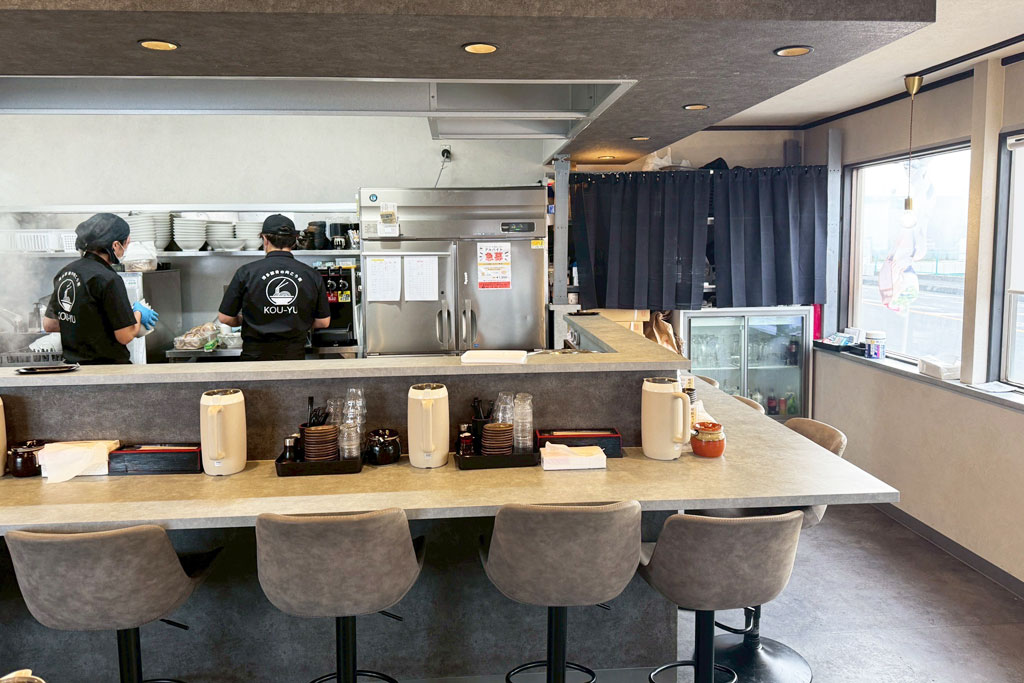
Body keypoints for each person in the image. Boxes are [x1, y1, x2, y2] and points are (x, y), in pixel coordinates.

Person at [42, 213, 159, 365]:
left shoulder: (66, 272)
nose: (126, 248)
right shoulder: (108, 279)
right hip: (107, 369)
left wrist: (93, 323)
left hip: (73, 369)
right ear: (115, 245)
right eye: (126, 243)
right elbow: (124, 336)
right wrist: (138, 313)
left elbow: (50, 324)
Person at [217, 214, 330, 361]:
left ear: (265, 239)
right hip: (293, 357)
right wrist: (299, 321)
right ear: (294, 240)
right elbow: (323, 322)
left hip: (254, 357)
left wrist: (245, 321)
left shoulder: (246, 272)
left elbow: (225, 317)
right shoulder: (311, 274)